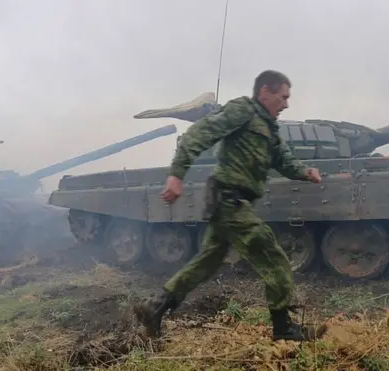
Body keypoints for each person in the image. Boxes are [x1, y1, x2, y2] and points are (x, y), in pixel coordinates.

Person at [134, 70, 326, 342]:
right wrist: (177, 174)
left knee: (205, 263)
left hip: (230, 201)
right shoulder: (243, 111)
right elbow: (200, 133)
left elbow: (283, 160)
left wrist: (305, 172)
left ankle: (154, 307)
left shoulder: (269, 130)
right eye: (282, 96)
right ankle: (283, 328)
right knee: (274, 258)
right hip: (229, 201)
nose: (286, 104)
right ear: (265, 93)